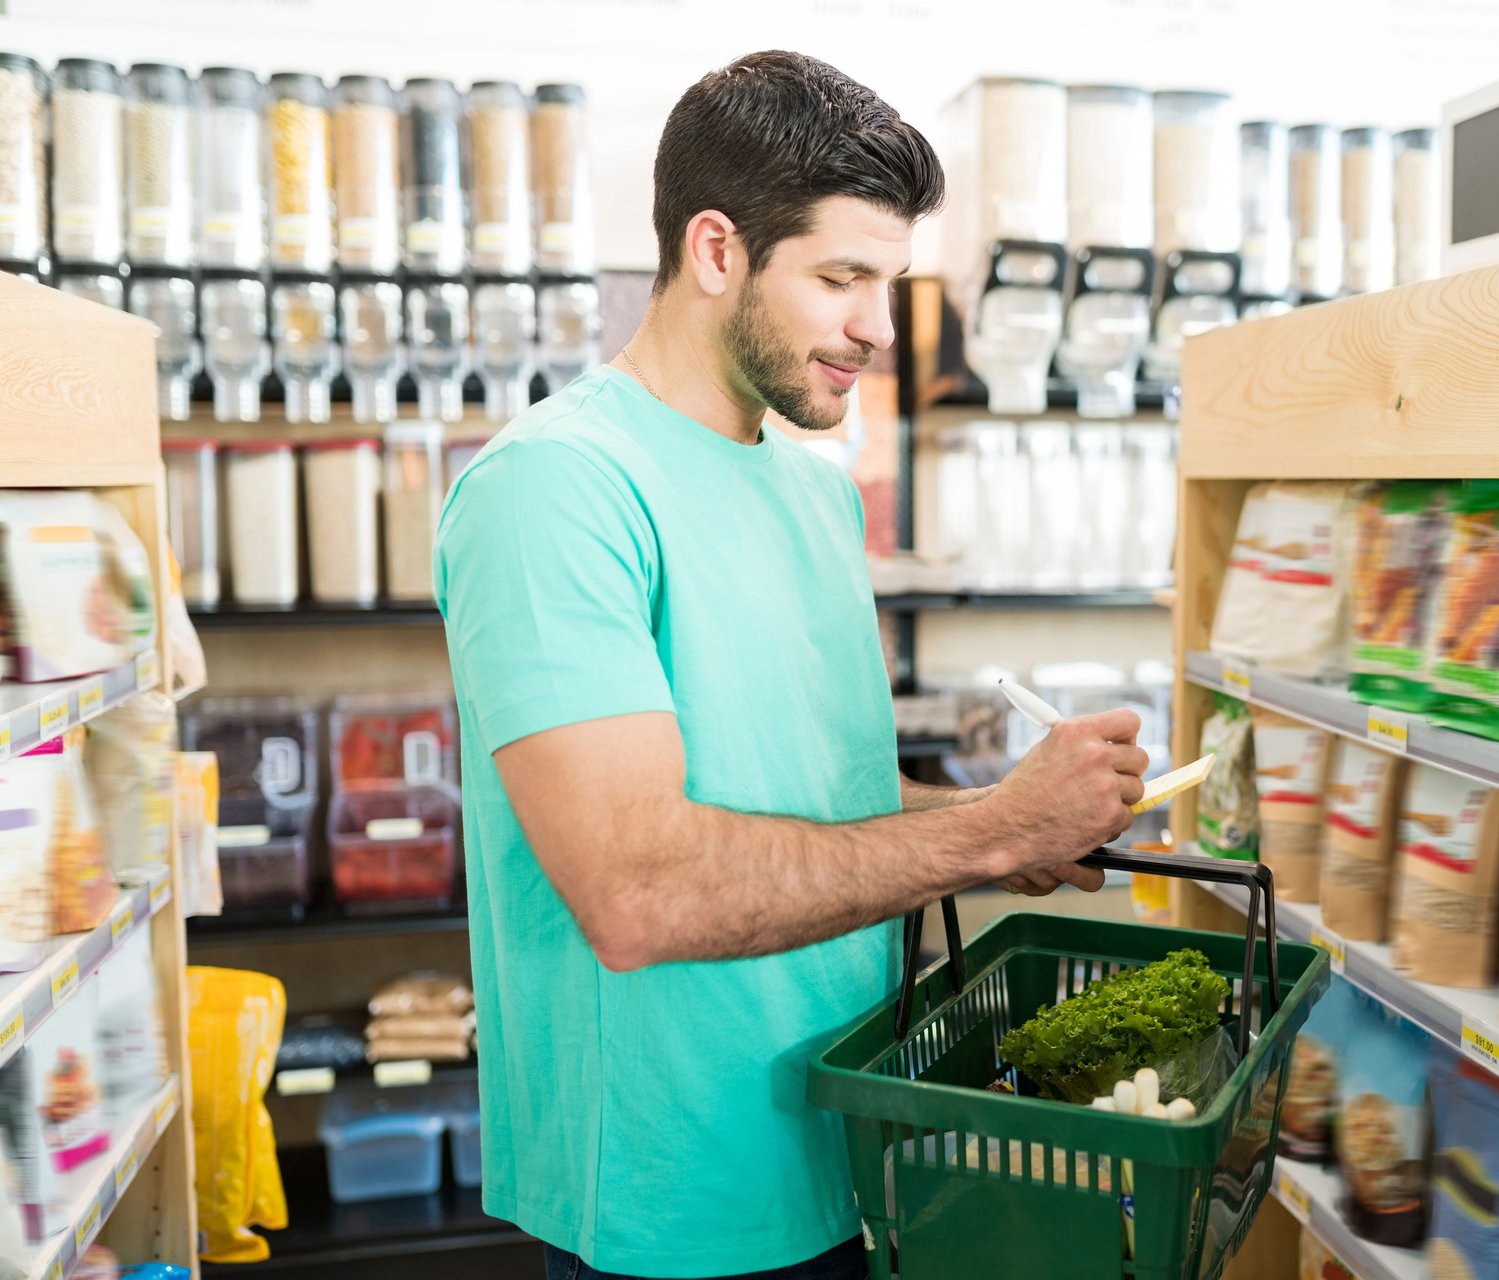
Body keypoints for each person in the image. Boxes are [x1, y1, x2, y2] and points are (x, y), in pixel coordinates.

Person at [434, 50, 1149, 1280]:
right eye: (842, 277)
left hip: (852, 1146)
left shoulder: (815, 496)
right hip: (677, 1198)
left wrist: (1009, 820)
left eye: (892, 280)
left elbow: (818, 795)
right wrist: (981, 839)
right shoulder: (557, 489)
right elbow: (638, 890)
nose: (881, 324)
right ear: (717, 251)